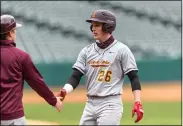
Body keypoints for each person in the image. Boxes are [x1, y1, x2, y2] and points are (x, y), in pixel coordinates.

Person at [57, 10, 144, 125]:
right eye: (92, 25)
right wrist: (65, 90)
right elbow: (75, 76)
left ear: (108, 26)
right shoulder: (86, 51)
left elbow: (134, 77)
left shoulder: (121, 50)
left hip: (110, 104)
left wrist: (137, 101)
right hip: (90, 104)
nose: (93, 28)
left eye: (97, 25)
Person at [0, 14, 62, 125]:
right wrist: (54, 101)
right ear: (10, 33)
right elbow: (37, 82)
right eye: (14, 30)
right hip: (13, 118)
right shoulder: (21, 56)